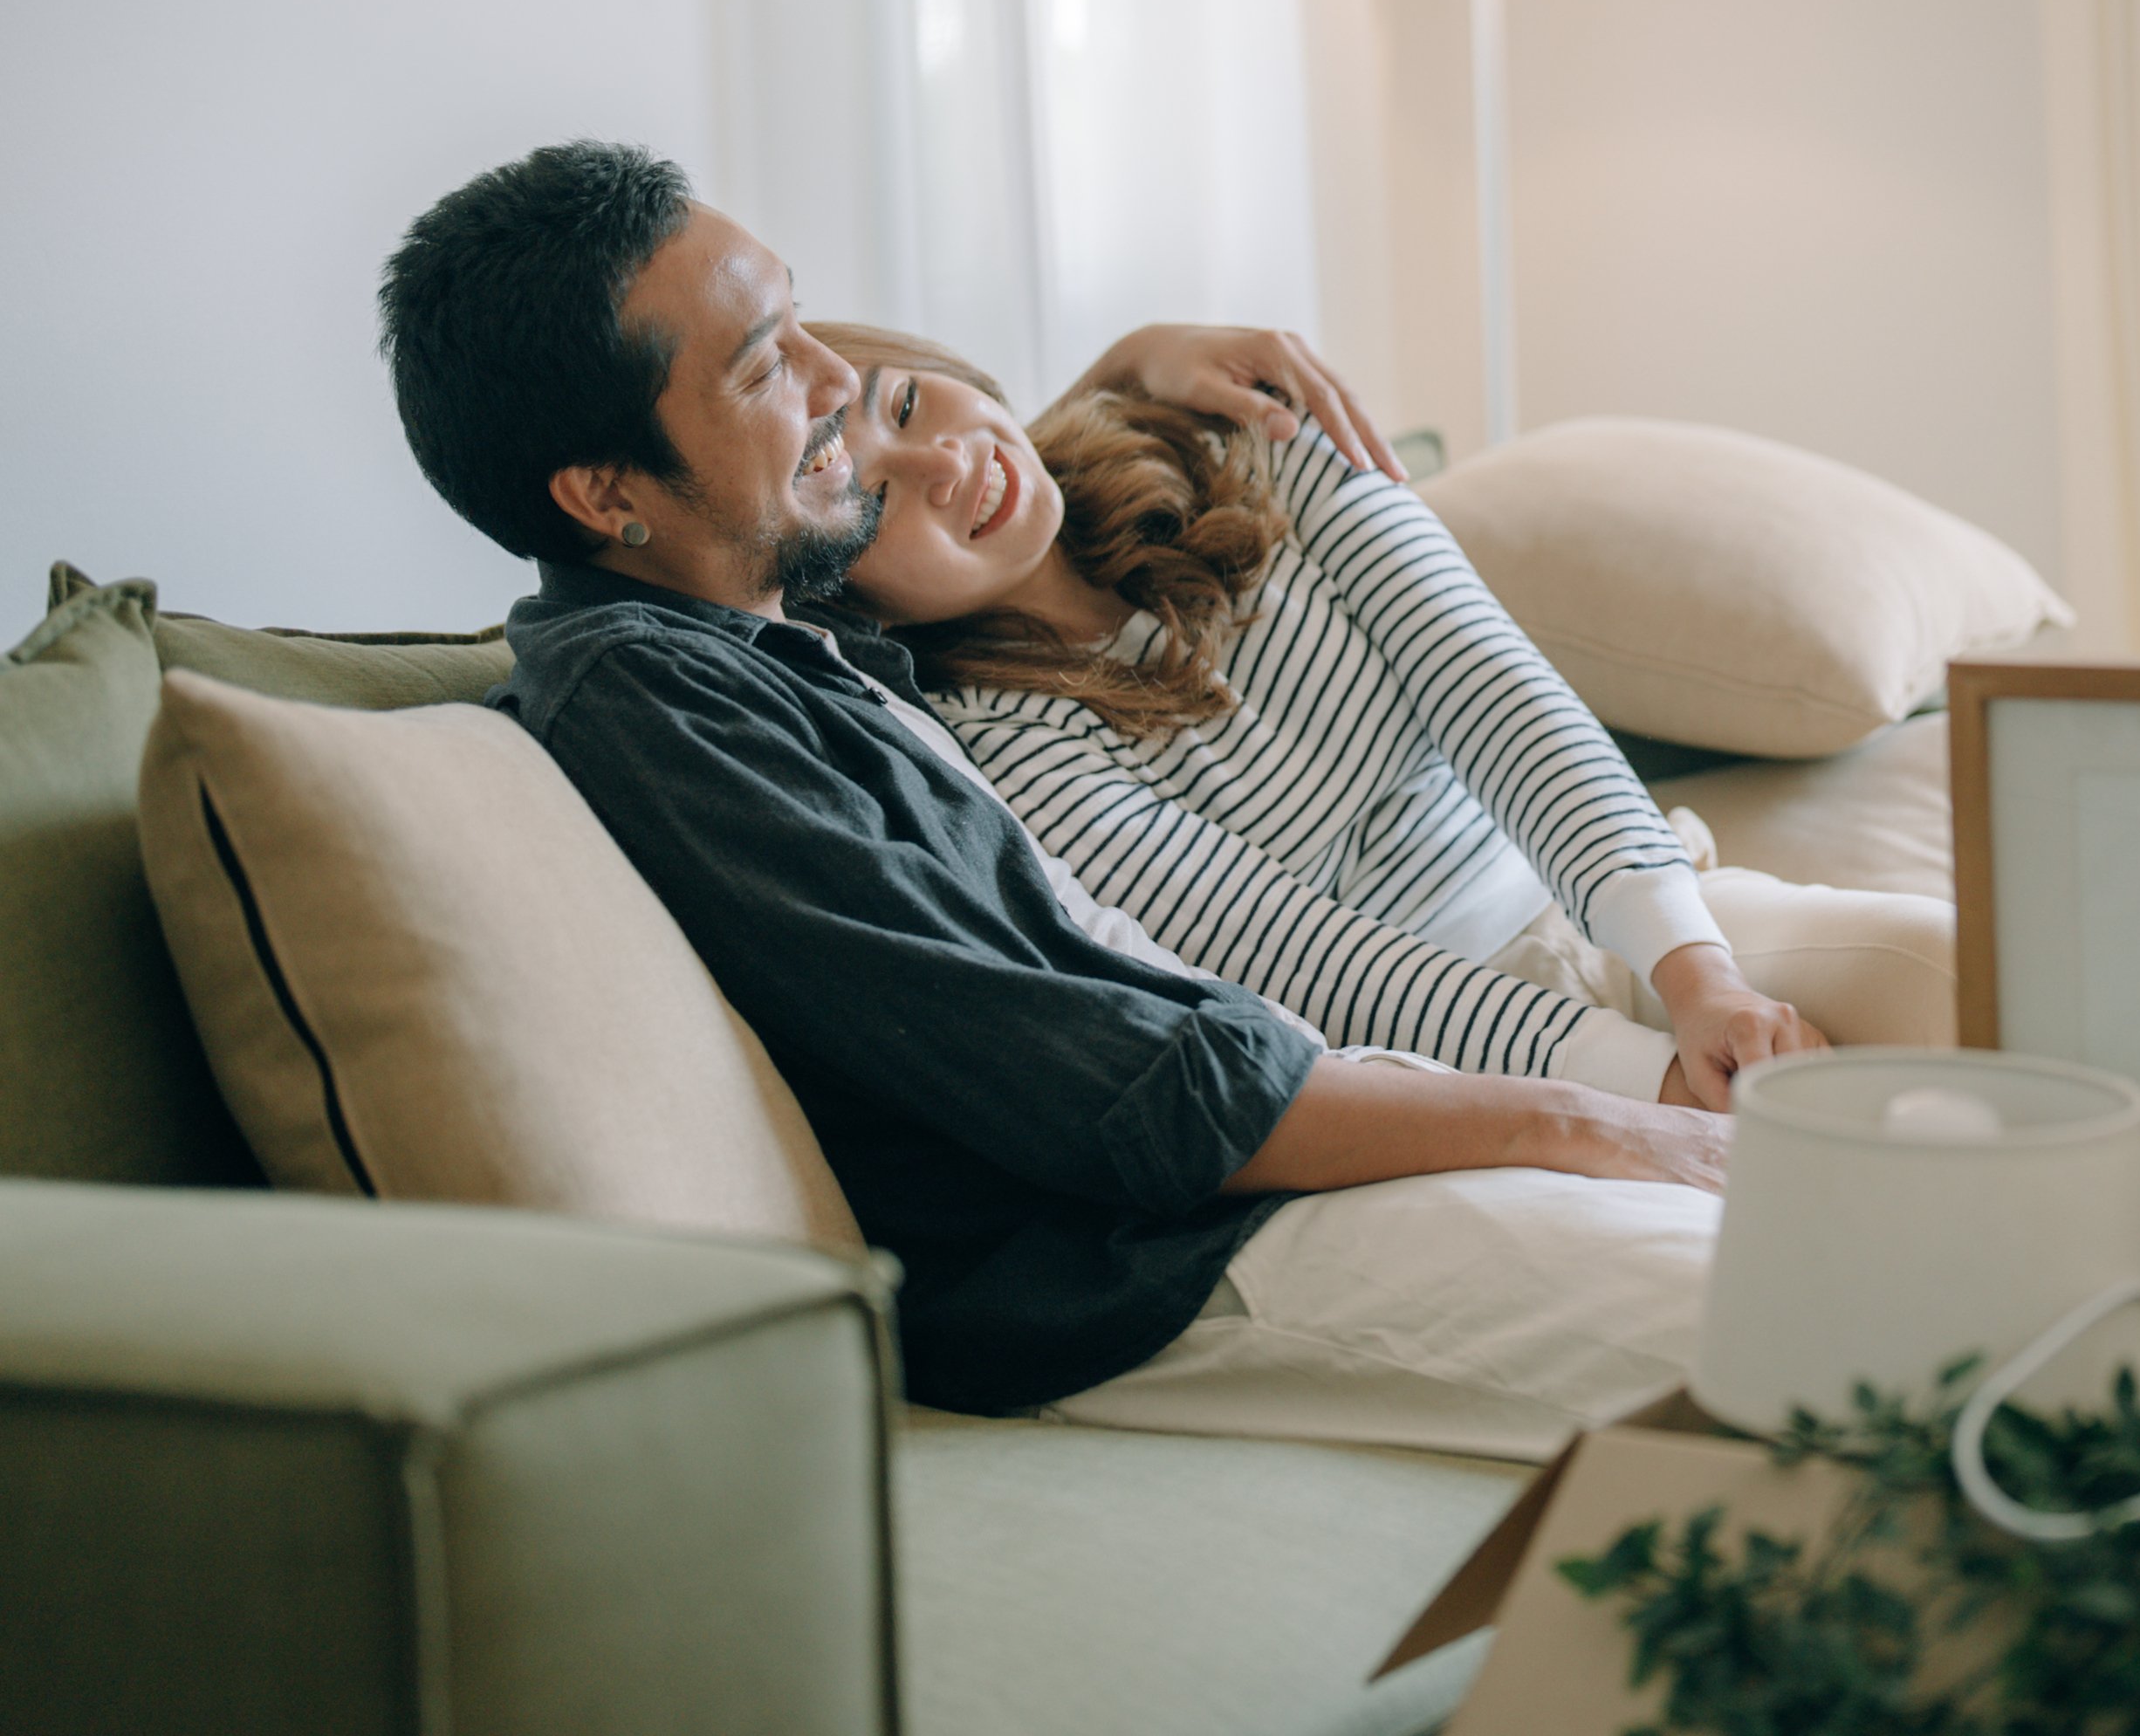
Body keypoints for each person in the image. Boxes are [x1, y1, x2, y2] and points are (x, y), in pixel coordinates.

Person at [378, 142, 1722, 1454]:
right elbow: (1103, 1079)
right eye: (765, 366)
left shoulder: (776, 631)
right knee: (1804, 1310)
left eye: (799, 321)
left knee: (1839, 1227)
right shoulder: (659, 711)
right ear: (606, 492)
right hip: (1149, 1259)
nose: (835, 381)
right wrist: (1591, 1123)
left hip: (1267, 1137)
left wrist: (1134, 362)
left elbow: (963, 521)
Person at [807, 322, 1954, 1115]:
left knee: (1960, 987)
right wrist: (1651, 1085)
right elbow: (1302, 958)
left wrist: (1701, 983)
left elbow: (1494, 686)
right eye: (878, 497)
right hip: (1437, 1059)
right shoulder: (995, 752)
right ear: (847, 589)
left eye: (904, 403)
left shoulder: (1240, 436)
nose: (945, 463)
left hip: (1618, 910)